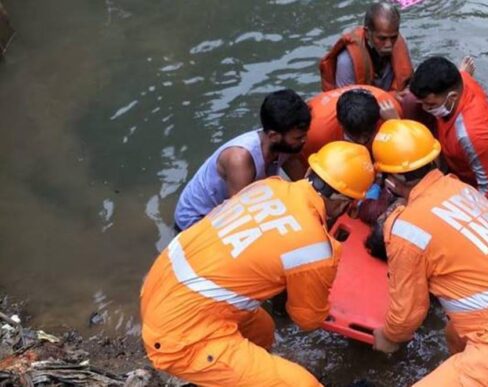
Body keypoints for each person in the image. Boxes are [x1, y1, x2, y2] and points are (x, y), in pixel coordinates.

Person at [141, 141, 376, 386]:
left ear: (309, 172)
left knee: (262, 329)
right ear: (342, 203)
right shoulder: (315, 247)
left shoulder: (267, 186)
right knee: (303, 384)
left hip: (159, 290)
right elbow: (307, 319)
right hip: (178, 336)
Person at [369, 120, 488, 386]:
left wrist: (386, 338)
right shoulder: (460, 189)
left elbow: (407, 316)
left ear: (390, 180)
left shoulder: (407, 227)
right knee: (454, 333)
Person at [174, 89, 311, 230]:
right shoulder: (240, 160)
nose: (304, 140)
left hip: (228, 210)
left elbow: (305, 186)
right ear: (273, 136)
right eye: (298, 138)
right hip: (195, 220)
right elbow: (241, 218)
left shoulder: (287, 146)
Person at [409, 56, 488, 214]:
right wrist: (464, 72)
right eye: (423, 104)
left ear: (453, 97)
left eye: (431, 105)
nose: (426, 109)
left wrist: (467, 213)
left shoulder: (471, 134)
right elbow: (463, 76)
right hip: (468, 164)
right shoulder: (461, 81)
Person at [284, 85, 401, 181]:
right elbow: (291, 160)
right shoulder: (315, 133)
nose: (361, 142)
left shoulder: (390, 112)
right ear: (340, 124)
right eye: (355, 137)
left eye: (366, 136)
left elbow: (405, 145)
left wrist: (397, 125)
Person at [319, 2, 412, 92]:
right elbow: (347, 103)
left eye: (393, 37)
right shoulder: (346, 61)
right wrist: (391, 99)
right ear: (367, 33)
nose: (389, 45)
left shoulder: (400, 43)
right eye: (382, 38)